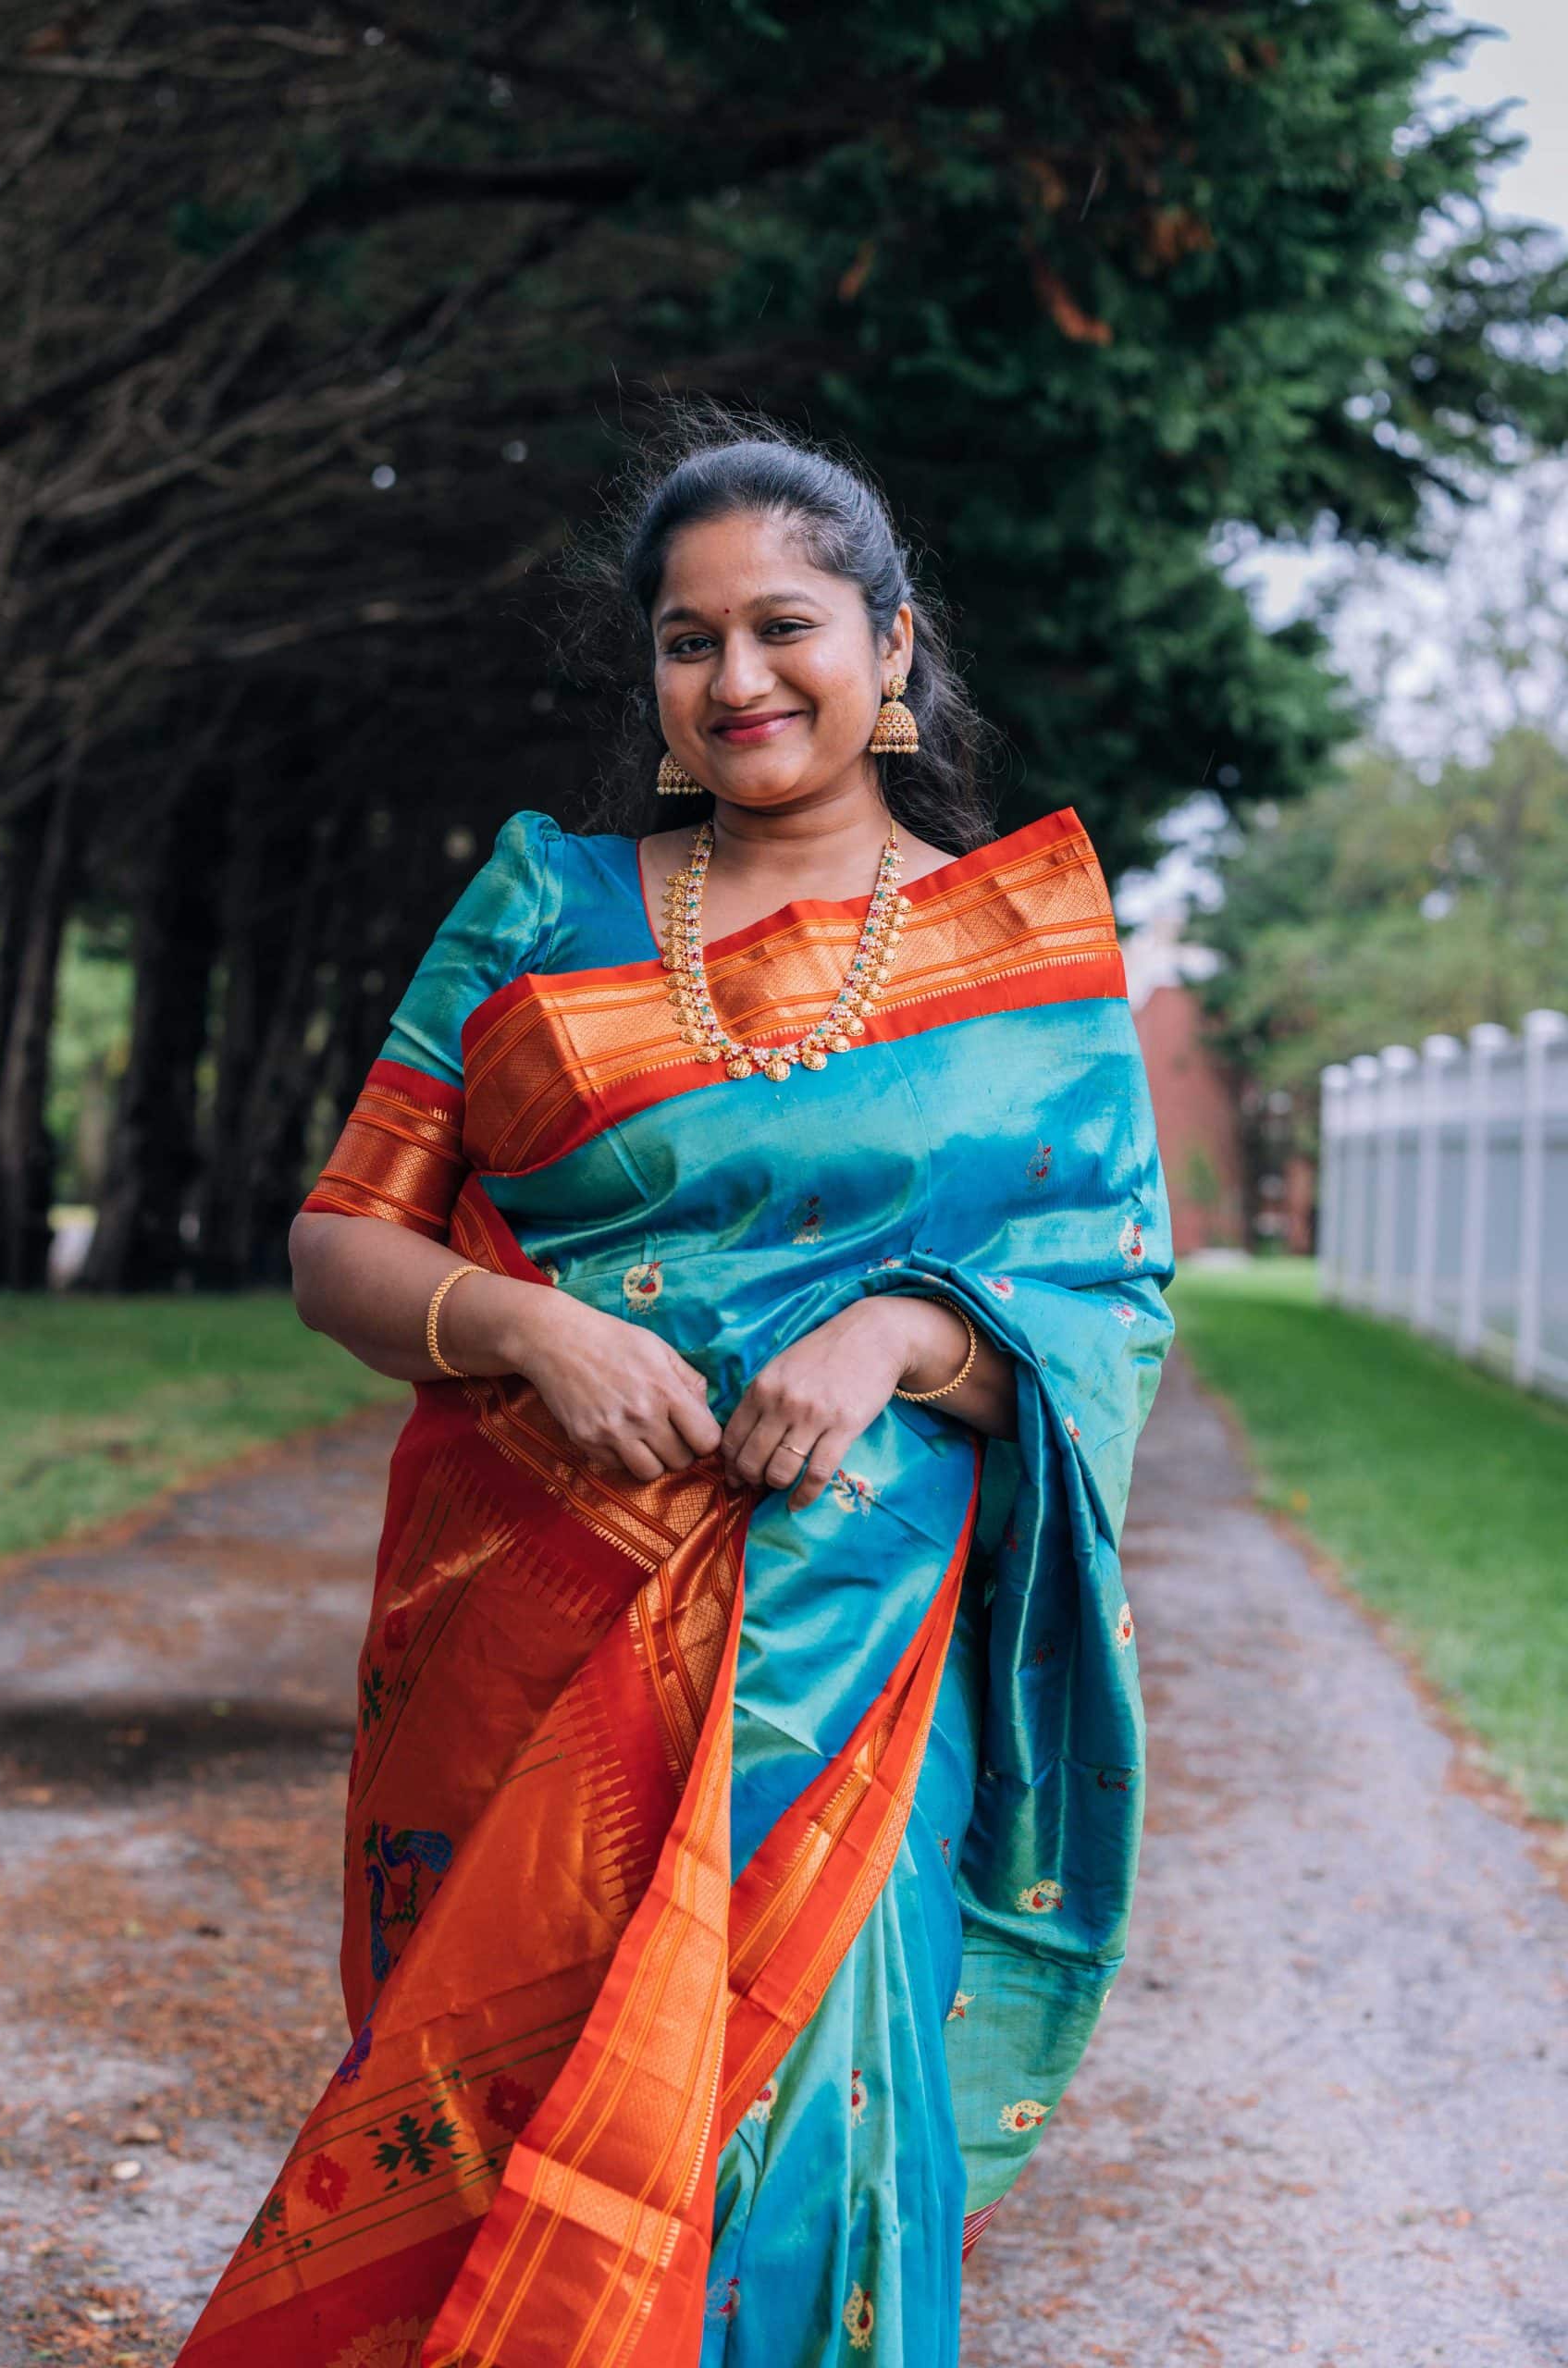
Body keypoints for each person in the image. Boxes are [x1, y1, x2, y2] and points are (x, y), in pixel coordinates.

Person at [174, 412, 1174, 2368]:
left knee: (794, 2140)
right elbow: (340, 1242)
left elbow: (1108, 1299)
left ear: (892, 650)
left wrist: (899, 1334)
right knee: (495, 2121)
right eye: (685, 638)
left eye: (784, 626)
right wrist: (527, 1327)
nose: (736, 678)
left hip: (845, 1662)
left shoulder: (1016, 956)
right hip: (533, 1633)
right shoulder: (545, 902)